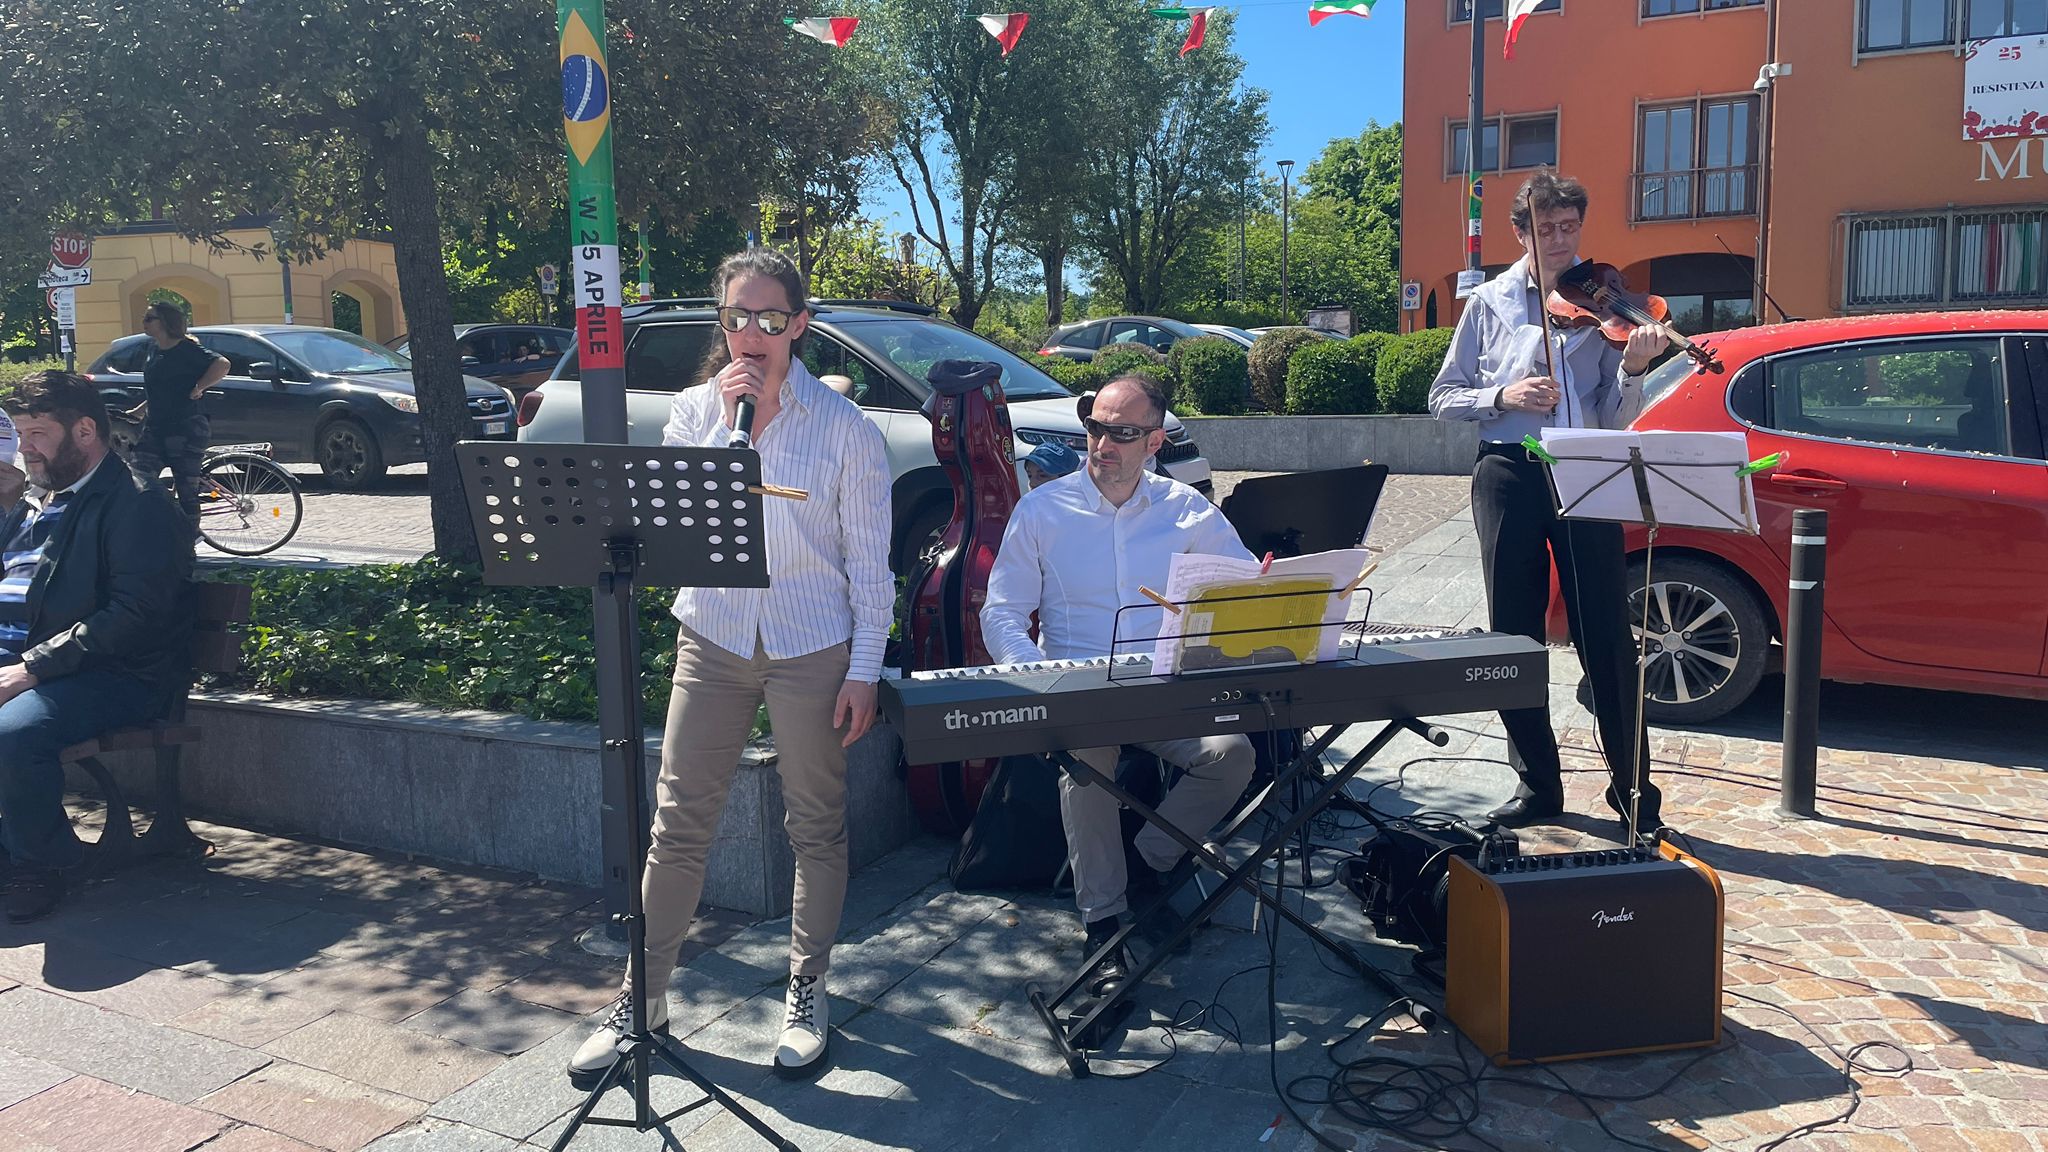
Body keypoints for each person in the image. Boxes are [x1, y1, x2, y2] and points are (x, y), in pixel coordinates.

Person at [568, 248, 892, 1081]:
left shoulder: (846, 430)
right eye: (737, 316)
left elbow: (870, 568)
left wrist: (864, 668)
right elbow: (677, 533)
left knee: (814, 823)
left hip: (810, 643)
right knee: (678, 821)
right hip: (713, 637)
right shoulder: (691, 413)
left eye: (770, 318)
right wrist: (725, 428)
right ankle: (643, 997)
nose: (752, 333)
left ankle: (808, 990)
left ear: (800, 325)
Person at [982, 374, 1256, 994]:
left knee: (1232, 755)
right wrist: (1033, 674)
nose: (1103, 444)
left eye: (1123, 433)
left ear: (1155, 441)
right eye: (1095, 427)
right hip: (1076, 691)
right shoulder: (1043, 510)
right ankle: (1103, 921)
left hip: (1163, 688)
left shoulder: (1188, 511)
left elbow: (1244, 593)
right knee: (1085, 767)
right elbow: (1001, 612)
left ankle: (1147, 862)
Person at [1428, 169, 1664, 833]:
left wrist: (1634, 369)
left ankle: (1634, 793)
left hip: (1584, 467)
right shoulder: (1488, 304)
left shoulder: (1605, 303)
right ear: (1520, 232)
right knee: (1515, 631)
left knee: (1606, 634)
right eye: (1546, 228)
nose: (1560, 240)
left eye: (1570, 227)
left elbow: (1613, 417)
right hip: (1508, 469)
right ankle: (1537, 785)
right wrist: (1501, 396)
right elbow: (1443, 397)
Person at [0, 372, 192, 923]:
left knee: (12, 732)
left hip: (115, 675)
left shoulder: (137, 503)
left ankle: (41, 864)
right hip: (39, 664)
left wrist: (32, 669)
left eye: (37, 433)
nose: (25, 448)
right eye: (20, 434)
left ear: (84, 431)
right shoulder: (39, 502)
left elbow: (135, 614)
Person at [125, 302, 227, 530]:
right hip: (156, 426)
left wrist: (199, 387)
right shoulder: (154, 350)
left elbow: (222, 364)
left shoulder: (186, 349)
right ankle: (159, 524)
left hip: (186, 426)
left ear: (165, 322)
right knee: (137, 477)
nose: (144, 322)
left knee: (186, 488)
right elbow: (162, 388)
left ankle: (189, 538)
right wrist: (140, 409)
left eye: (149, 318)